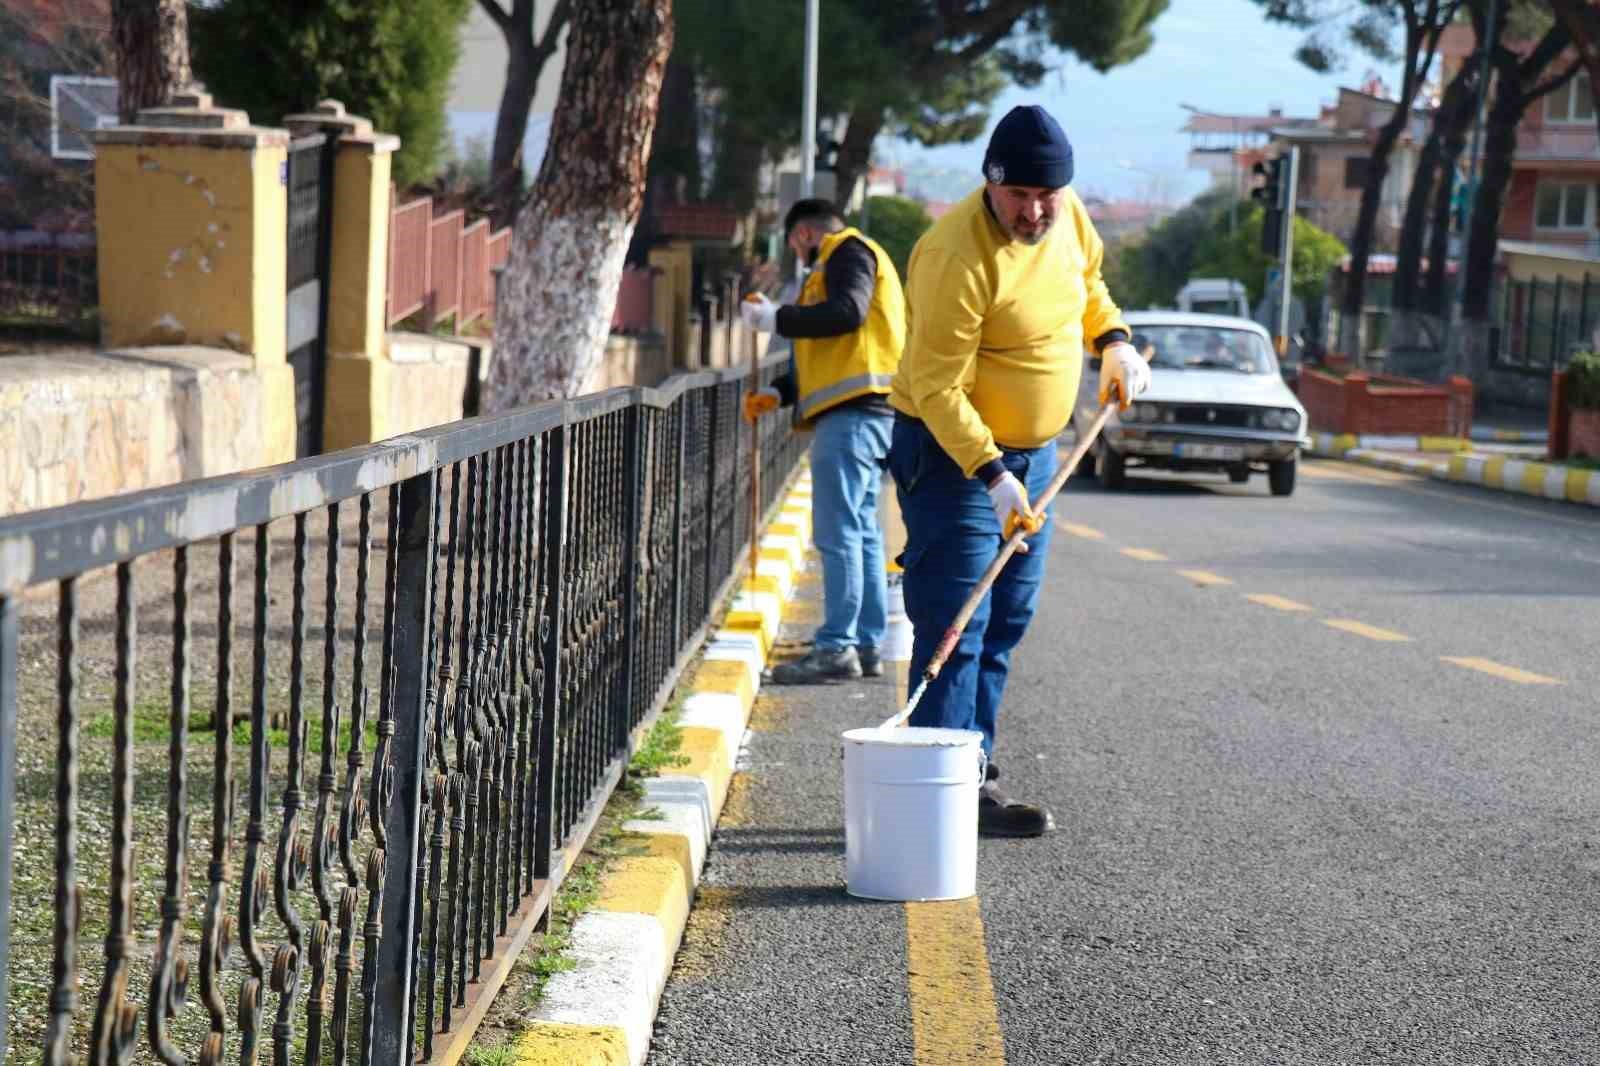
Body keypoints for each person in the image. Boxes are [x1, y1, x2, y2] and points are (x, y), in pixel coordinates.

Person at [887, 105, 1150, 837]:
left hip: (1036, 459)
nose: (1034, 213)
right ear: (989, 185)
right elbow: (937, 388)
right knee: (956, 621)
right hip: (955, 458)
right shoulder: (955, 257)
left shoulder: (1068, 222)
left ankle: (971, 769)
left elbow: (1089, 281)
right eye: (1019, 198)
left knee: (1006, 619)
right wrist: (994, 475)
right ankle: (945, 794)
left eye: (1048, 198)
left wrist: (1116, 340)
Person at [741, 199, 907, 684]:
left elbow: (846, 314)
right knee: (862, 532)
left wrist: (777, 319)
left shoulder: (846, 252)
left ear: (804, 234)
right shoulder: (849, 256)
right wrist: (778, 393)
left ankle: (838, 645)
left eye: (794, 242)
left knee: (838, 535)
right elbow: (834, 351)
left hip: (853, 417)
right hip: (868, 411)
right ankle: (866, 643)